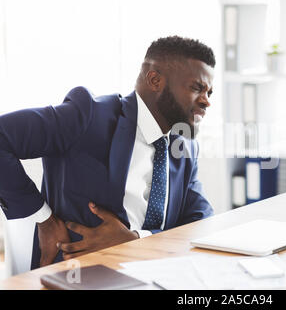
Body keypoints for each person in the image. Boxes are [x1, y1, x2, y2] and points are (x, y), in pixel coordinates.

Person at [0, 36, 215, 269]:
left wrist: (136, 241)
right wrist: (44, 219)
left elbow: (199, 222)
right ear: (155, 80)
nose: (206, 102)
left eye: (209, 93)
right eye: (196, 88)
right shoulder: (88, 116)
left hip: (154, 271)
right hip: (81, 275)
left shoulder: (184, 146)